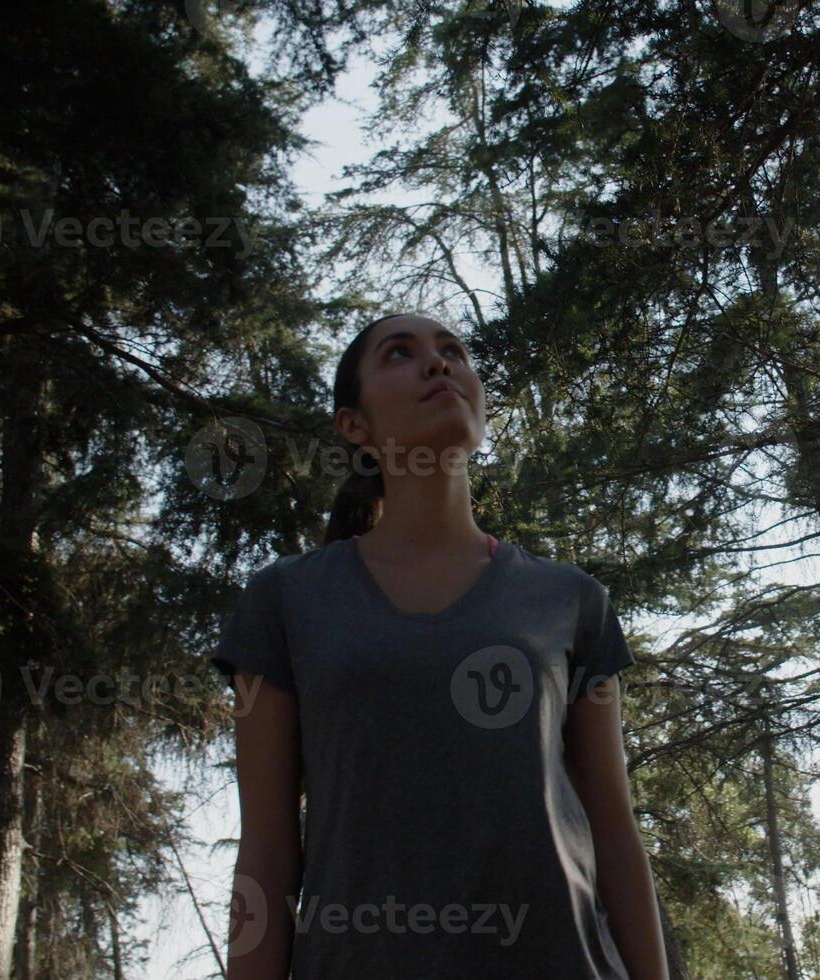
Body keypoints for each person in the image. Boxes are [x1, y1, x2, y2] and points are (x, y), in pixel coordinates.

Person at [210, 312, 669, 978]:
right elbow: (268, 850)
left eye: (453, 352)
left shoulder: (572, 601)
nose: (438, 363)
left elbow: (615, 833)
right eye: (400, 354)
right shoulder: (284, 602)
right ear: (354, 426)